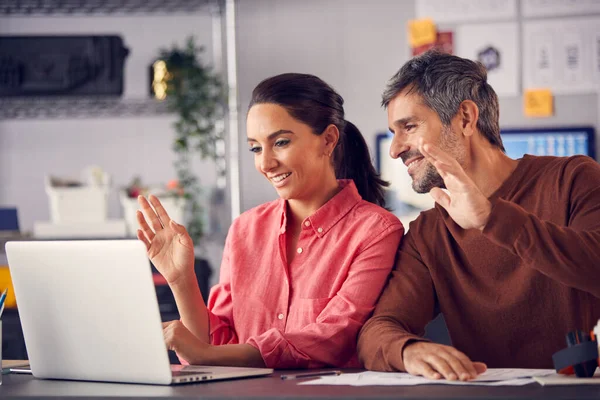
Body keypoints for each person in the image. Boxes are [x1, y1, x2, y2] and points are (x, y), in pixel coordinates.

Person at [357, 50, 600, 381]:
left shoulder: (573, 179)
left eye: (409, 127)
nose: (395, 149)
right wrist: (407, 350)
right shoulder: (427, 234)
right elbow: (378, 329)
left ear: (466, 119)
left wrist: (491, 218)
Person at [136, 73, 404, 369]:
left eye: (281, 142)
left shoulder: (376, 231)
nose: (265, 163)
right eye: (255, 148)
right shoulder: (245, 229)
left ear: (328, 139)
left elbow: (333, 337)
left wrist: (206, 354)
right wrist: (181, 279)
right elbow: (219, 344)